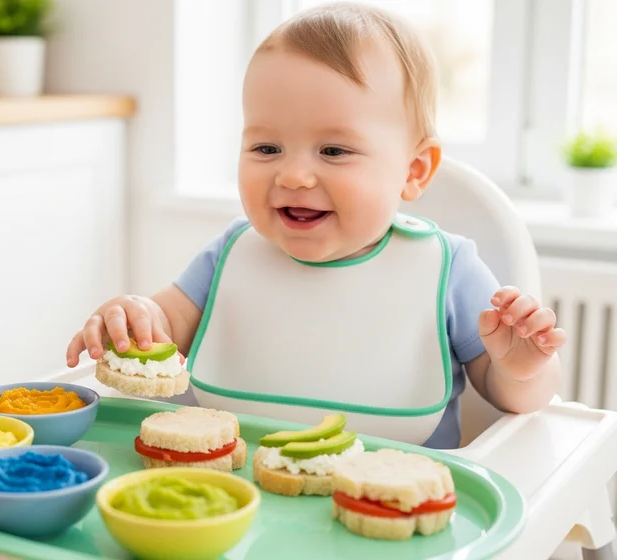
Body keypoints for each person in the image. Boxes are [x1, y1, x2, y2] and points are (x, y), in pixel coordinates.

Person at [65, 2, 565, 449]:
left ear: (413, 170)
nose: (293, 175)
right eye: (266, 148)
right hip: (235, 496)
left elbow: (513, 400)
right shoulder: (229, 255)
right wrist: (132, 317)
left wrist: (521, 370)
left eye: (333, 150)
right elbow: (162, 330)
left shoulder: (450, 270)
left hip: (394, 505)